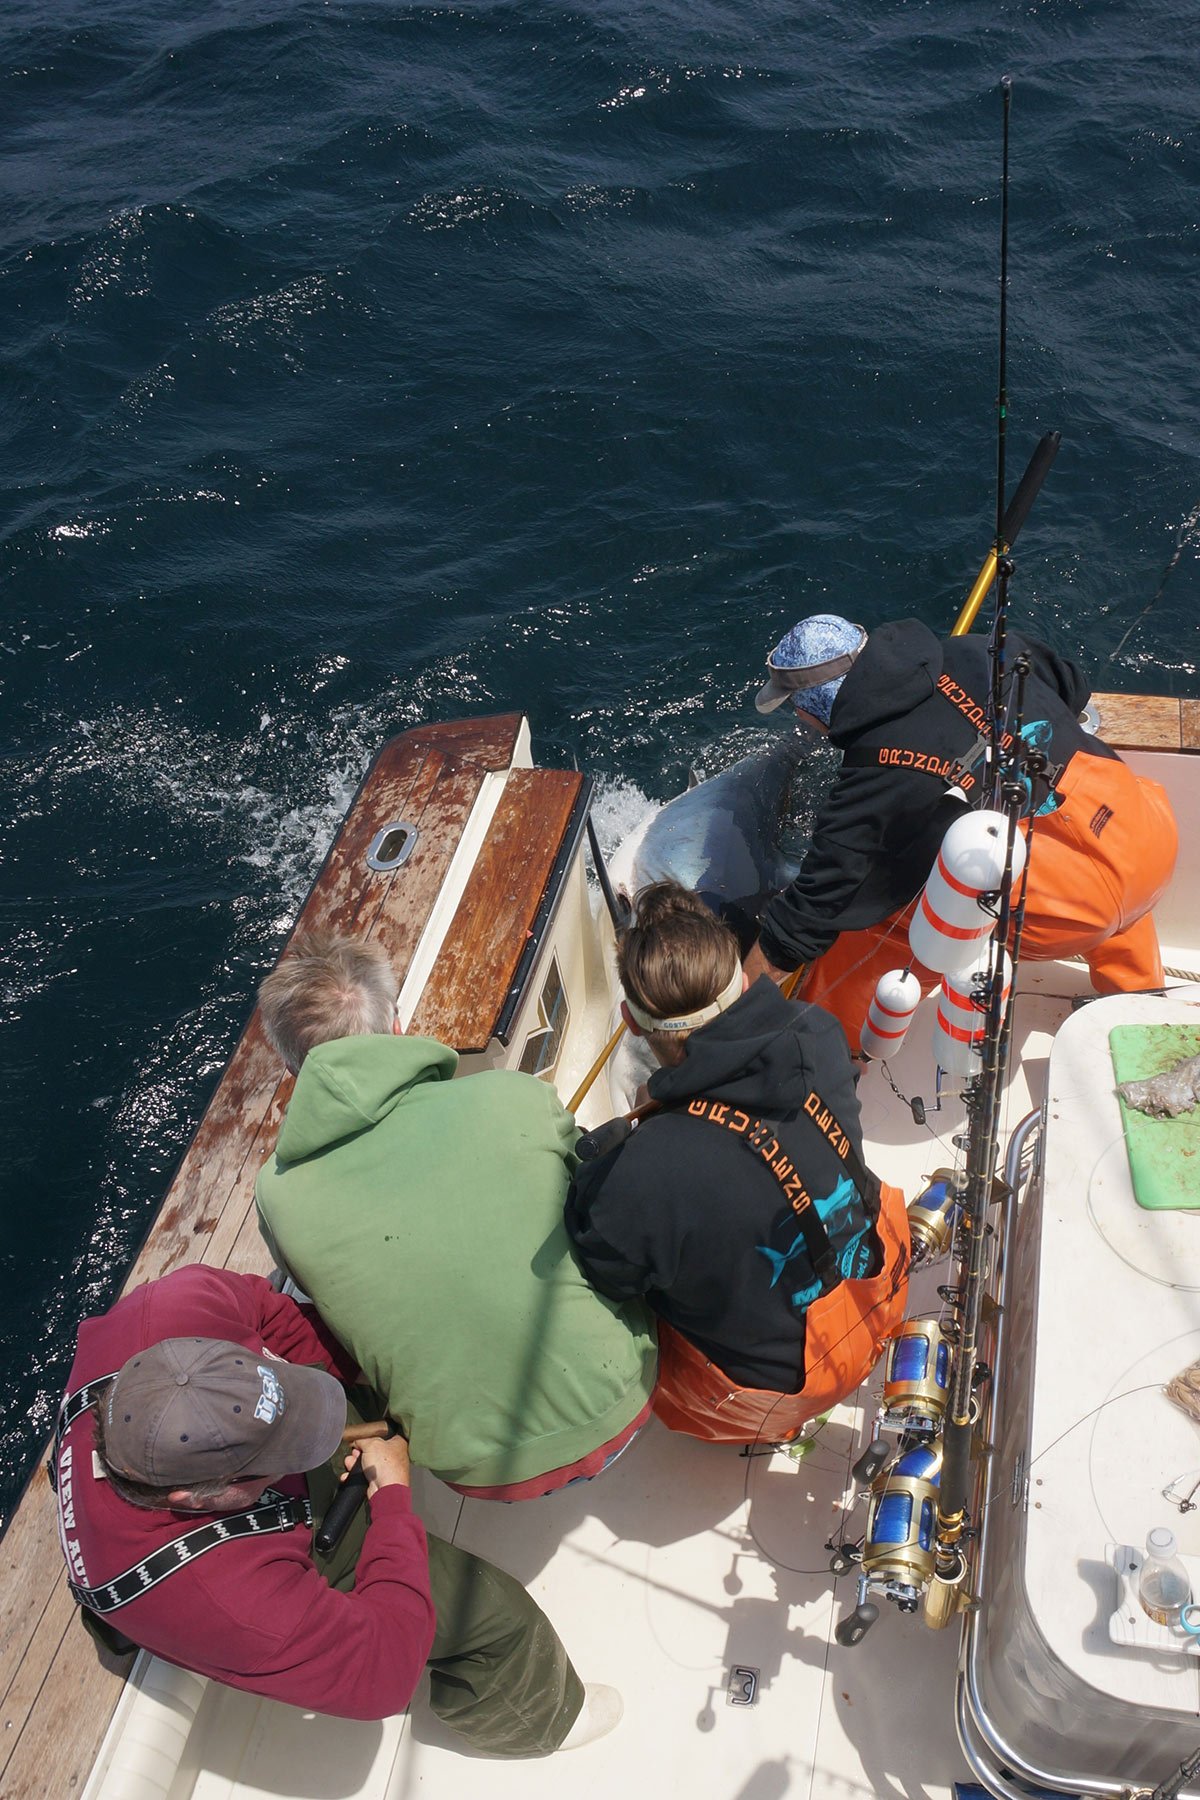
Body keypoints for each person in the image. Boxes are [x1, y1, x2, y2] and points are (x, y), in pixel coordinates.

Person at [54, 1263, 619, 1751]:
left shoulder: (175, 1303)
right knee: (500, 1619)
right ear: (197, 1496)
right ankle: (539, 1720)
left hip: (165, 1534)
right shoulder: (234, 1603)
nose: (316, 1443)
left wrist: (330, 1378)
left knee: (380, 1366)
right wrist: (393, 1501)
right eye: (284, 1453)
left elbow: (267, 1309)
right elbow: (385, 1671)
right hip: (221, 1561)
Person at [255, 930, 657, 1501]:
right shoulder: (514, 1096)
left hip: (480, 1475)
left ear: (294, 1069)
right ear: (396, 1028)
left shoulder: (276, 1192)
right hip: (627, 1398)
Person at [564, 883, 910, 1444]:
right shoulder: (818, 1033)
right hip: (879, 1299)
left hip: (772, 1395)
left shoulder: (643, 1175)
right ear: (744, 982)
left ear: (630, 1020)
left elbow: (605, 1272)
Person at [743, 613, 1179, 1053]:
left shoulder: (874, 774)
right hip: (1147, 839)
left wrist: (742, 1002)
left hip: (1069, 914)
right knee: (1115, 884)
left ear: (809, 708)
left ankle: (835, 1049)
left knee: (877, 918)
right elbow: (1071, 686)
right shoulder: (974, 650)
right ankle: (1137, 995)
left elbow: (811, 911)